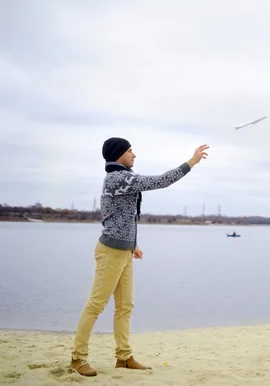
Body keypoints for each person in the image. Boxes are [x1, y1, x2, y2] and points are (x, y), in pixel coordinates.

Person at [69, 137, 210, 377]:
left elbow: (121, 216)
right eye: (130, 151)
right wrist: (191, 162)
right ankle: (77, 359)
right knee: (95, 305)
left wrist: (133, 244)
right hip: (111, 252)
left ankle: (124, 358)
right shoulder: (118, 178)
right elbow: (161, 181)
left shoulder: (123, 177)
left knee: (125, 306)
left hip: (123, 251)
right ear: (118, 154)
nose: (134, 155)